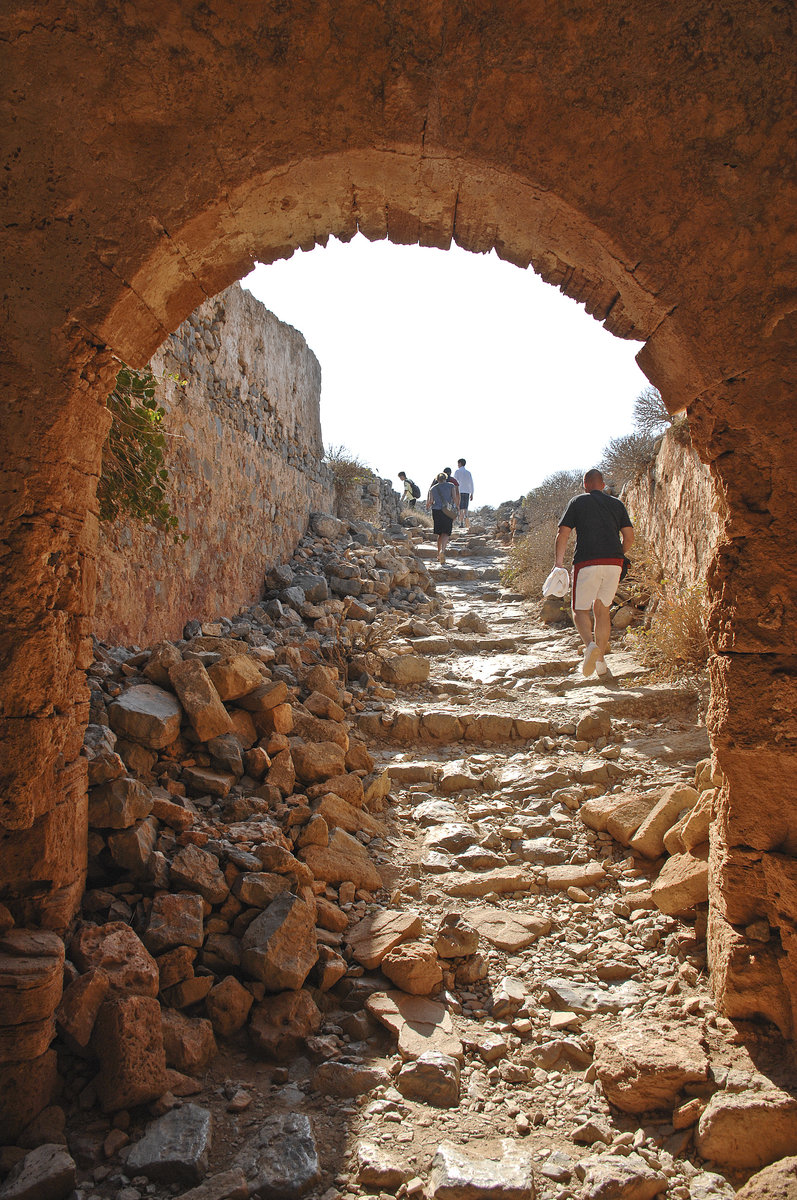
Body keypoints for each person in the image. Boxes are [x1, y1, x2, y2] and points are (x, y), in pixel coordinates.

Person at [555, 468, 634, 679]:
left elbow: (563, 533)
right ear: (603, 484)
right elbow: (629, 536)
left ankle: (590, 646)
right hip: (614, 563)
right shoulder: (617, 504)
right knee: (602, 610)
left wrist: (558, 564)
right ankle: (601, 663)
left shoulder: (578, 502)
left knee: (580, 610)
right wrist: (619, 554)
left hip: (586, 562)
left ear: (585, 485)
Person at [427, 471, 458, 562]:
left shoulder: (432, 488)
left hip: (436, 511)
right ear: (445, 478)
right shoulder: (451, 485)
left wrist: (430, 504)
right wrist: (456, 508)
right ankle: (442, 551)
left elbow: (430, 501)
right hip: (447, 511)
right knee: (446, 532)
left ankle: (438, 553)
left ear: (437, 479)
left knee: (439, 533)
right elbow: (455, 498)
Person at [453, 458, 474, 528]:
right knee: (466, 508)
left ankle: (462, 523)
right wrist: (472, 493)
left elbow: (455, 482)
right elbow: (471, 483)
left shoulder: (457, 472)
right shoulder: (468, 473)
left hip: (460, 491)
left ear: (460, 463)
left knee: (461, 508)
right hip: (467, 491)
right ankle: (467, 523)